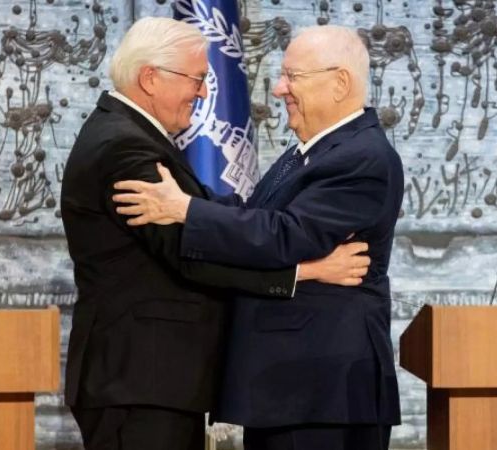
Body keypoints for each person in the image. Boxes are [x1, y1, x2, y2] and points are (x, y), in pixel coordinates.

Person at [60, 18, 370, 450]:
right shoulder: (124, 148)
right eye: (198, 79)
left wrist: (199, 211)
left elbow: (203, 213)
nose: (204, 92)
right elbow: (191, 253)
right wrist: (304, 271)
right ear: (150, 77)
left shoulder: (128, 136)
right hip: (140, 381)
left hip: (149, 382)